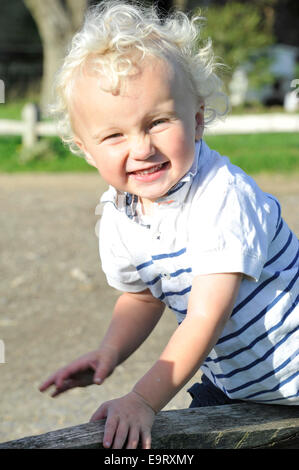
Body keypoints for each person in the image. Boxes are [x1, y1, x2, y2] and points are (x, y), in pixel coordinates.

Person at [39, 1, 299, 449]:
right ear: (86, 149)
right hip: (236, 387)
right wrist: (110, 352)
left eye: (157, 122)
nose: (141, 148)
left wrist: (142, 398)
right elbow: (141, 296)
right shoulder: (121, 214)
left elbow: (206, 315)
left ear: (196, 120)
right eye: (114, 135)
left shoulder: (223, 194)